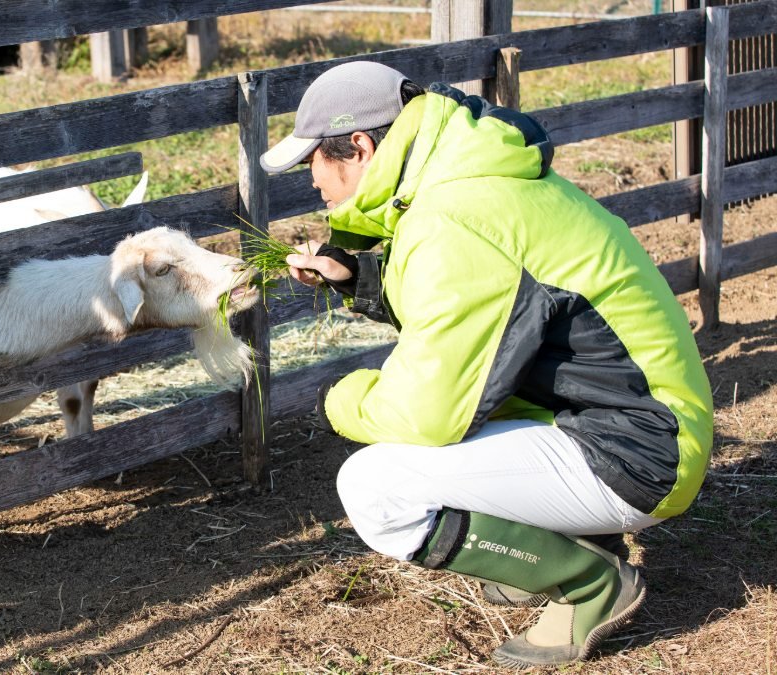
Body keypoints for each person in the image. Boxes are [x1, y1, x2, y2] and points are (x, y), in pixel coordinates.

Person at [259, 60, 713, 668]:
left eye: (313, 160)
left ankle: (589, 583)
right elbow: (476, 292)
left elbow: (429, 414)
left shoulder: (450, 218)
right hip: (634, 422)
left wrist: (342, 398)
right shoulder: (478, 183)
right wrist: (359, 276)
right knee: (450, 435)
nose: (311, 180)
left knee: (373, 488)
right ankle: (562, 539)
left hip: (638, 454)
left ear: (360, 147)